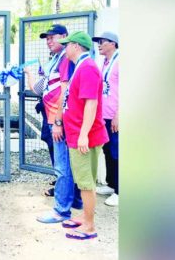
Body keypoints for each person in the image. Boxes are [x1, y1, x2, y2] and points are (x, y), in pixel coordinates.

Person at [25, 24, 83, 224]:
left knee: (62, 167)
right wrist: (30, 76)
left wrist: (57, 121)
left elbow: (64, 93)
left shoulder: (66, 60)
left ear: (66, 38)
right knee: (65, 164)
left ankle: (61, 211)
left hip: (59, 119)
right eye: (46, 38)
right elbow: (41, 89)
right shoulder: (55, 60)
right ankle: (74, 200)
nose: (49, 41)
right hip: (53, 117)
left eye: (53, 37)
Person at [57, 31, 110, 240]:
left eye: (67, 44)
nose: (64, 48)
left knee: (85, 181)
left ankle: (89, 226)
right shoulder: (81, 66)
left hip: (84, 134)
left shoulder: (87, 68)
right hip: (79, 132)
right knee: (83, 180)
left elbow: (91, 102)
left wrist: (83, 135)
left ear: (76, 46)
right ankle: (84, 216)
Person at [93, 32, 119, 207]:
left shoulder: (120, 62)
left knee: (118, 153)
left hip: (116, 117)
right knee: (108, 151)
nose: (99, 45)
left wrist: (119, 115)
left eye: (102, 42)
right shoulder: (104, 62)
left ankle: (120, 191)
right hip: (105, 116)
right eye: (98, 42)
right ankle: (111, 184)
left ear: (113, 44)